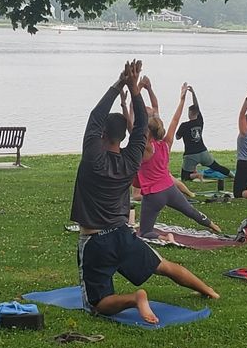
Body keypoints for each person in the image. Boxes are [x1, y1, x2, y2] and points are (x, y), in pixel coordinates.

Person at [72, 60, 219, 325]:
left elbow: (95, 116)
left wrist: (119, 84)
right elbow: (141, 127)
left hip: (95, 241)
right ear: (121, 137)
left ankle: (135, 298)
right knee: (163, 266)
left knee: (96, 304)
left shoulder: (92, 158)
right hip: (122, 235)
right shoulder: (131, 160)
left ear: (101, 134)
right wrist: (134, 89)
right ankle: (208, 290)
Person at [137, 82, 223, 240]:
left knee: (145, 233)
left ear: (147, 131)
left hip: (154, 195)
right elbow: (175, 120)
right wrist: (182, 99)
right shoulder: (166, 144)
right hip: (170, 189)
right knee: (190, 211)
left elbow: (133, 122)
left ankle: (165, 237)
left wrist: (135, 91)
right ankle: (213, 225)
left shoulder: (146, 148)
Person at [176, 86, 233, 181]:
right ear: (197, 113)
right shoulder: (200, 121)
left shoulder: (184, 125)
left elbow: (177, 137)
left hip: (190, 155)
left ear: (189, 113)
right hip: (203, 152)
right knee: (217, 166)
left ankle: (196, 175)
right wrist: (193, 93)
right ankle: (232, 175)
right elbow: (197, 106)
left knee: (184, 177)